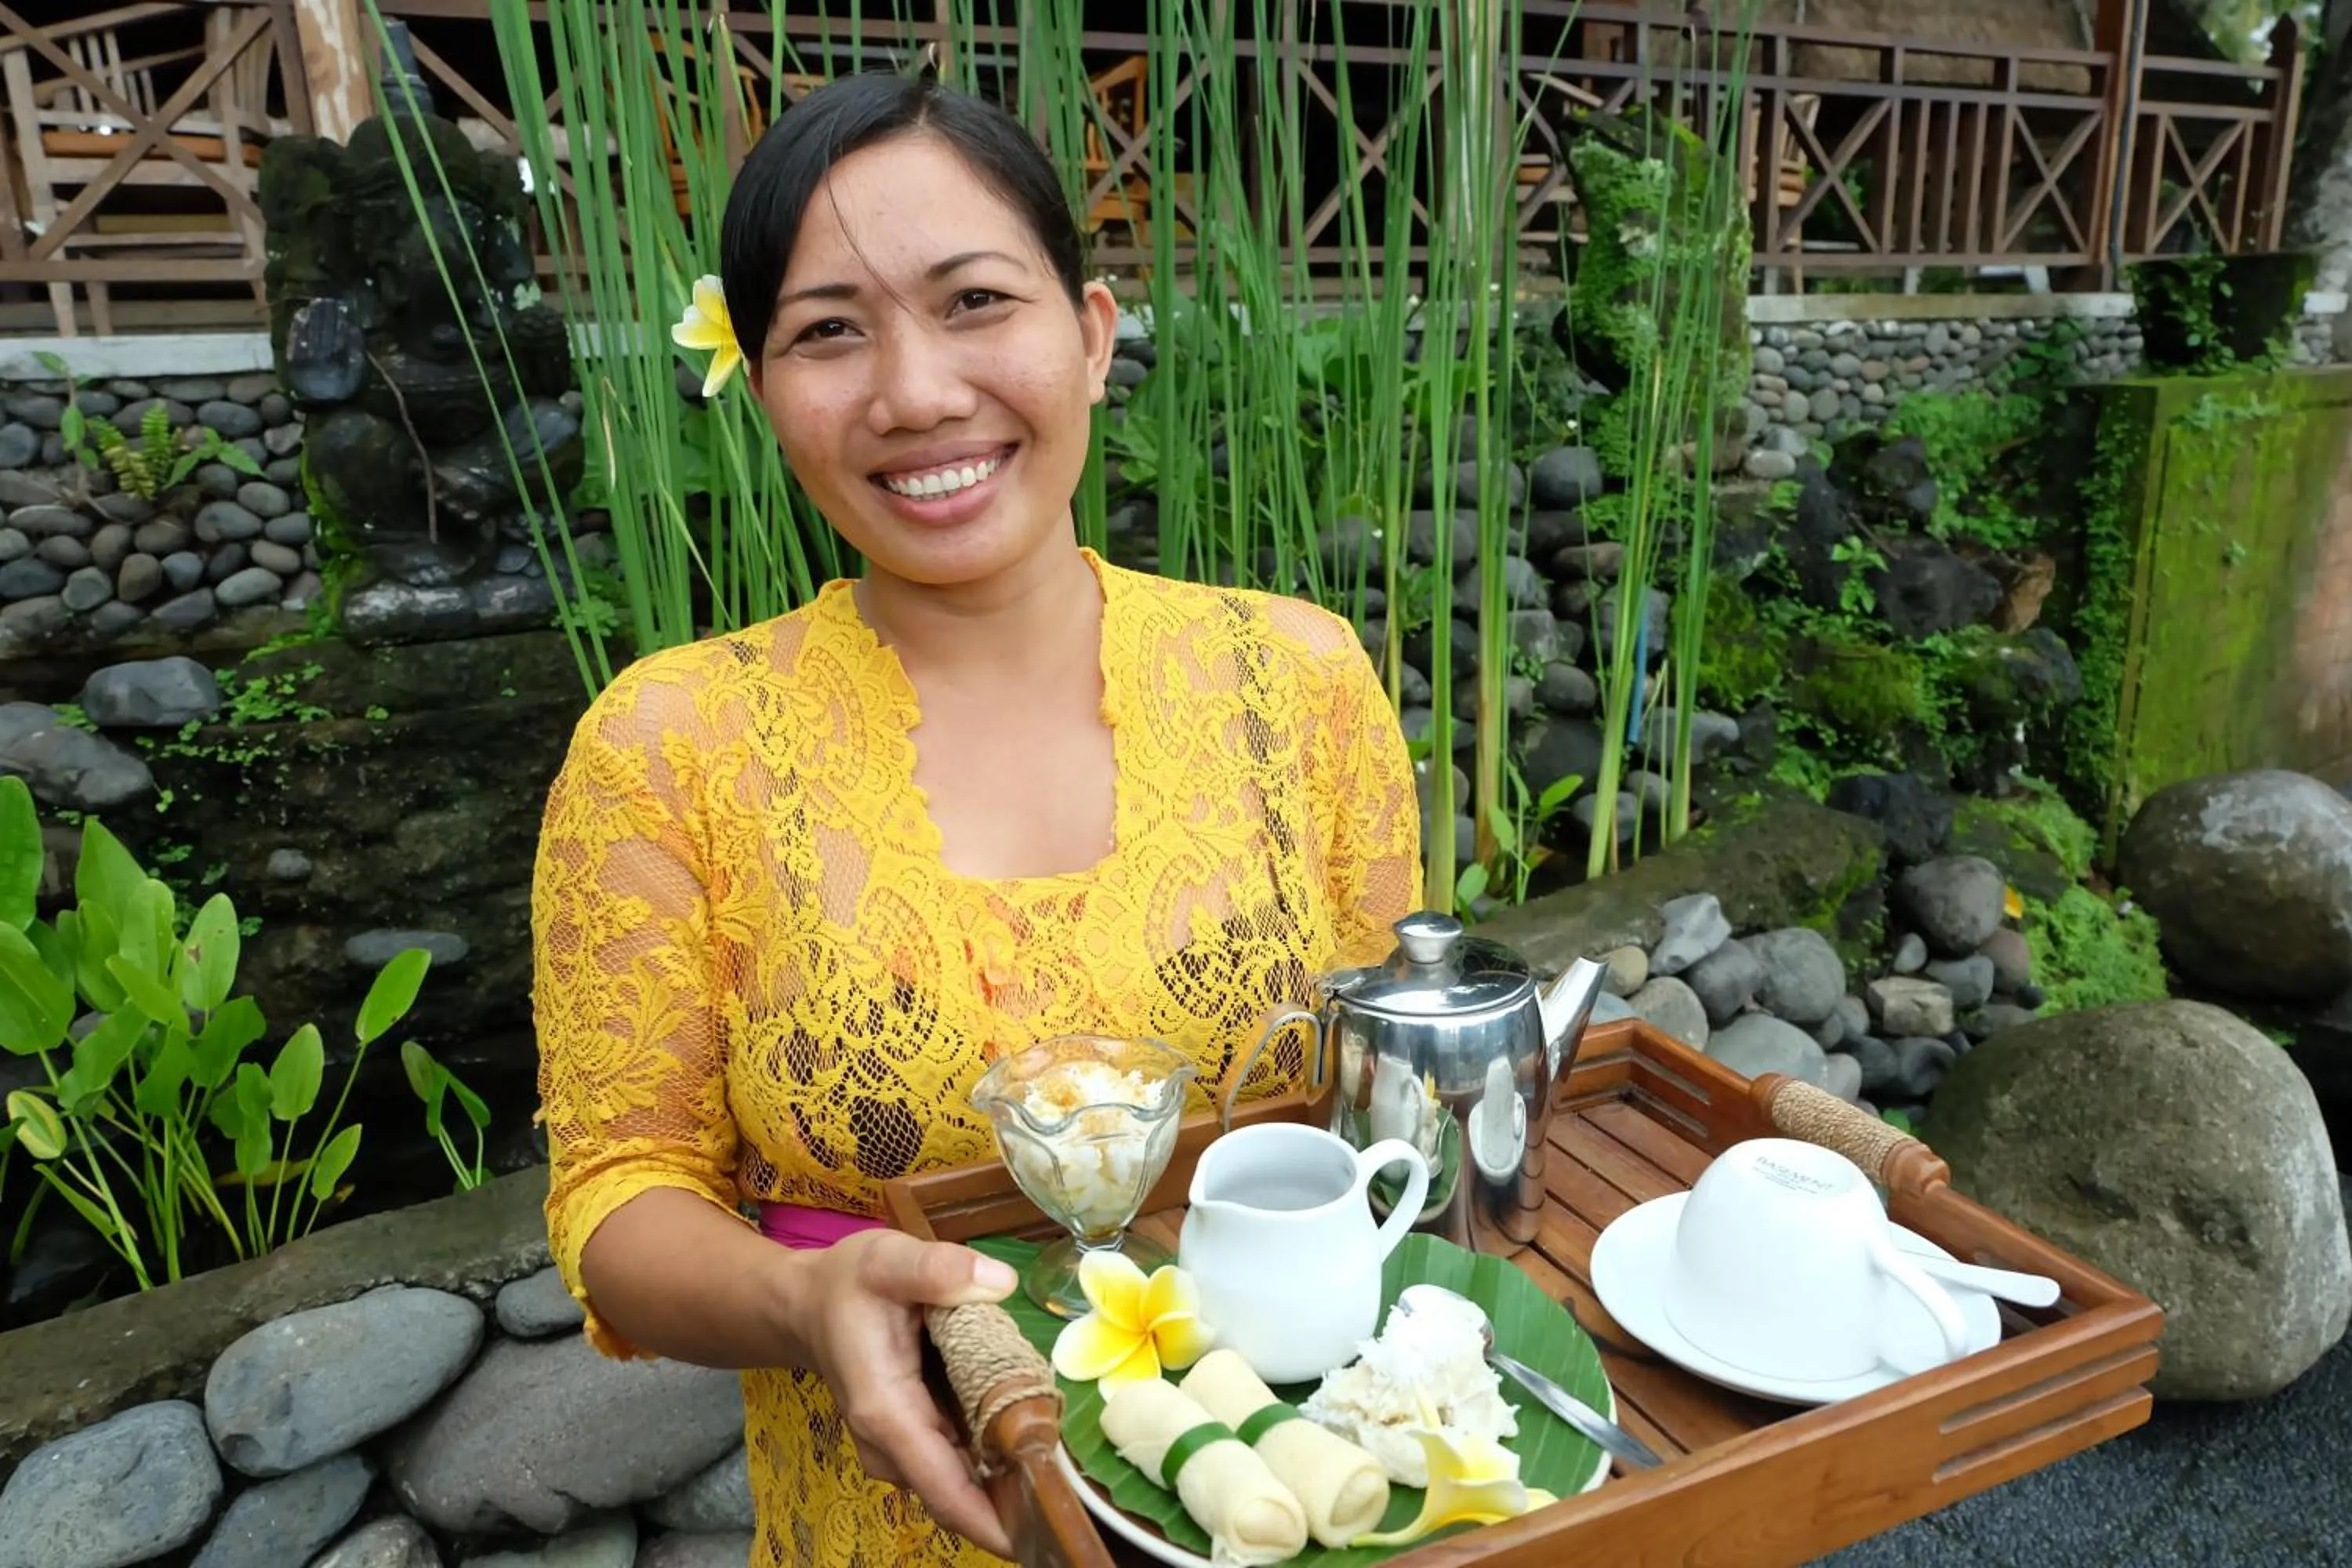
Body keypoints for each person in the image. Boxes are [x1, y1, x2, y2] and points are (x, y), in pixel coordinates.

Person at [530, 69, 1420, 1568]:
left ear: (1089, 330)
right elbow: (621, 1196)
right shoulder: (670, 746)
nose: (916, 392)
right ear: (762, 395)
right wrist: (803, 1302)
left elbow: (1381, 1079)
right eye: (828, 330)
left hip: (1288, 1506)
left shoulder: (1301, 680)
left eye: (974, 301)